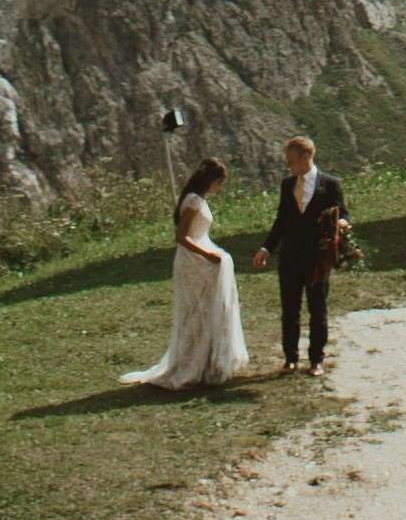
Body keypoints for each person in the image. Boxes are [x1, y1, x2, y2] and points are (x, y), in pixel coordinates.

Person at [123, 159, 252, 393]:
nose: (219, 188)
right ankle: (192, 364)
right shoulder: (194, 201)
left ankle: (204, 361)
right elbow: (182, 237)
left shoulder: (196, 199)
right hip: (194, 262)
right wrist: (208, 255)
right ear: (213, 182)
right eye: (219, 184)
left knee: (205, 311)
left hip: (200, 259)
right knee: (196, 312)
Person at [261, 131, 351, 372]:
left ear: (306, 157)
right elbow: (281, 220)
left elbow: (342, 211)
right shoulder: (287, 184)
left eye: (291, 160)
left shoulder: (330, 184)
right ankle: (290, 358)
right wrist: (266, 248)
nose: (288, 165)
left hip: (316, 259)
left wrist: (342, 223)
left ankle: (316, 360)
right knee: (289, 311)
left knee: (317, 310)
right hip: (290, 257)